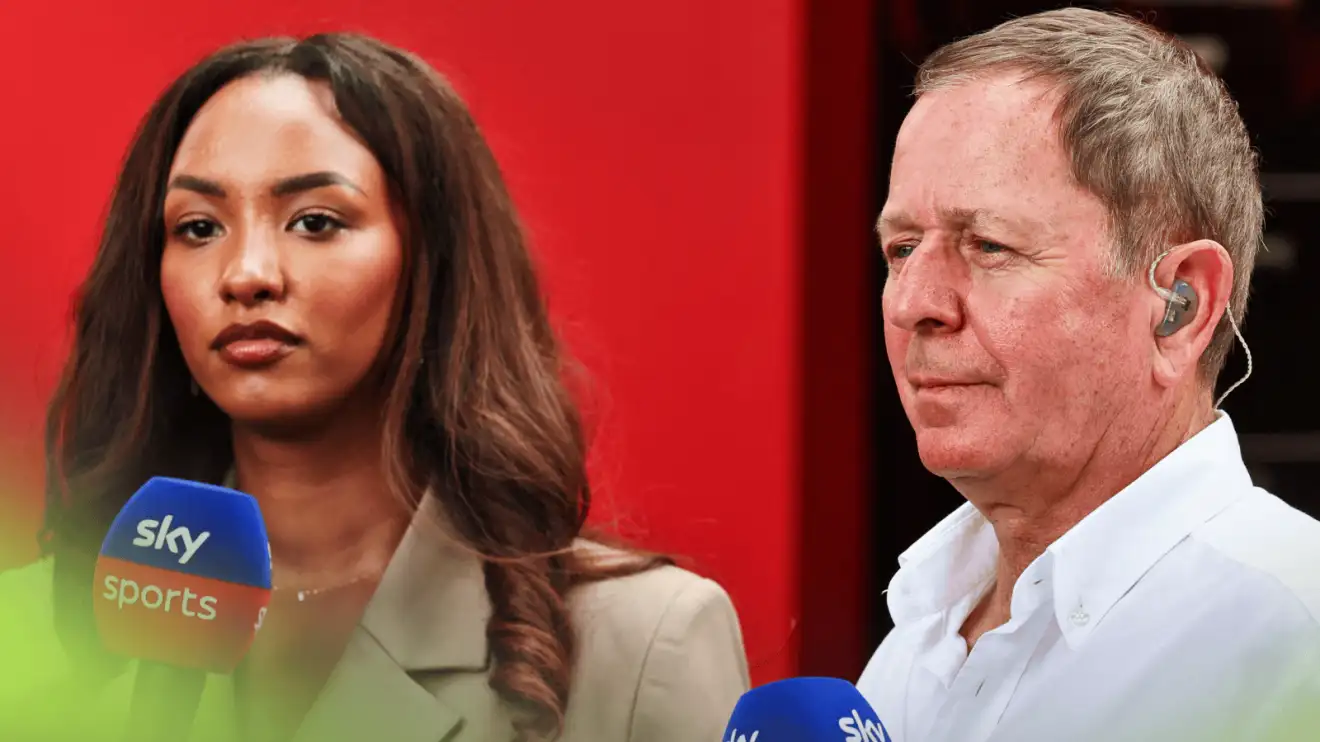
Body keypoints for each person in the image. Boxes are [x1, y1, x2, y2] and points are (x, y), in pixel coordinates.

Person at [0, 32, 749, 742]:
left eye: (314, 221)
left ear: (431, 262)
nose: (247, 274)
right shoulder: (27, 634)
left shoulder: (643, 643)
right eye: (199, 228)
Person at [859, 8, 1320, 742]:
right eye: (902, 249)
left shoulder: (1294, 641)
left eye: (989, 245)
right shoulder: (914, 641)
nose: (914, 304)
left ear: (1180, 305)